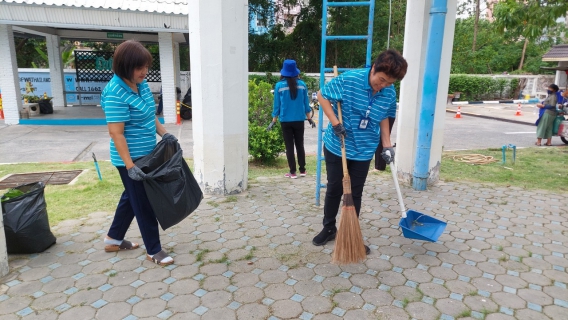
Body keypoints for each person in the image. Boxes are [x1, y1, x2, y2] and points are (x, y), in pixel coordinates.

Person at [312, 49, 408, 253]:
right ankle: (329, 228)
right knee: (334, 189)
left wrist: (387, 144)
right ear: (373, 68)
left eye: (388, 83)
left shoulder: (388, 93)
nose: (382, 86)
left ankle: (351, 233)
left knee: (355, 193)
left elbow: (384, 117)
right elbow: (322, 96)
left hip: (364, 149)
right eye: (381, 80)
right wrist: (336, 123)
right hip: (339, 145)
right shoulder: (350, 80)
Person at [101, 40, 176, 266]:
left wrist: (165, 134)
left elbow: (148, 115)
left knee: (131, 197)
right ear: (125, 66)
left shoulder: (140, 85)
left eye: (146, 67)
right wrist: (130, 166)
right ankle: (154, 249)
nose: (145, 72)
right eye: (139, 68)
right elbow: (117, 134)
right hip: (130, 159)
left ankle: (113, 239)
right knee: (143, 202)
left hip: (148, 156)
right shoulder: (115, 92)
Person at [270, 59, 315, 179]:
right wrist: (309, 119)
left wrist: (273, 120)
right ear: (296, 71)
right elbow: (306, 104)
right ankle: (303, 170)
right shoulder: (302, 84)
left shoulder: (279, 86)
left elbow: (277, 106)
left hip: (285, 121)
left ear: (283, 72)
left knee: (289, 146)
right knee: (300, 144)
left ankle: (293, 172)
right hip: (299, 120)